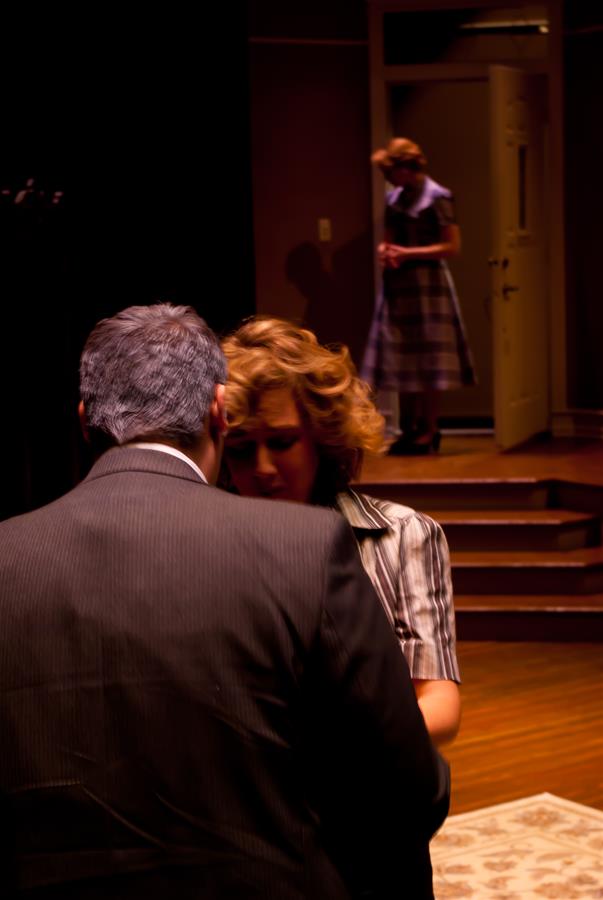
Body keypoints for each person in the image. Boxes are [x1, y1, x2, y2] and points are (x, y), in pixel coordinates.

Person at [0, 303, 449, 899]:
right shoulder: (304, 549)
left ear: (84, 421)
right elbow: (407, 791)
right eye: (244, 445)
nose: (263, 468)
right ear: (219, 414)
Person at [222, 316, 461, 747]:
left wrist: (335, 749)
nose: (262, 469)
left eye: (281, 443)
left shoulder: (403, 535)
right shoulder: (200, 543)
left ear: (322, 436)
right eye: (240, 450)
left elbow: (439, 705)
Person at [362, 137, 477, 454]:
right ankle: (410, 429)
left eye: (391, 170)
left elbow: (452, 247)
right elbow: (388, 239)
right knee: (403, 357)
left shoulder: (437, 197)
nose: (388, 178)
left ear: (406, 167)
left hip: (429, 286)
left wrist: (408, 253)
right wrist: (386, 251)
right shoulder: (394, 198)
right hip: (400, 285)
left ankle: (429, 429)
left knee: (430, 360)